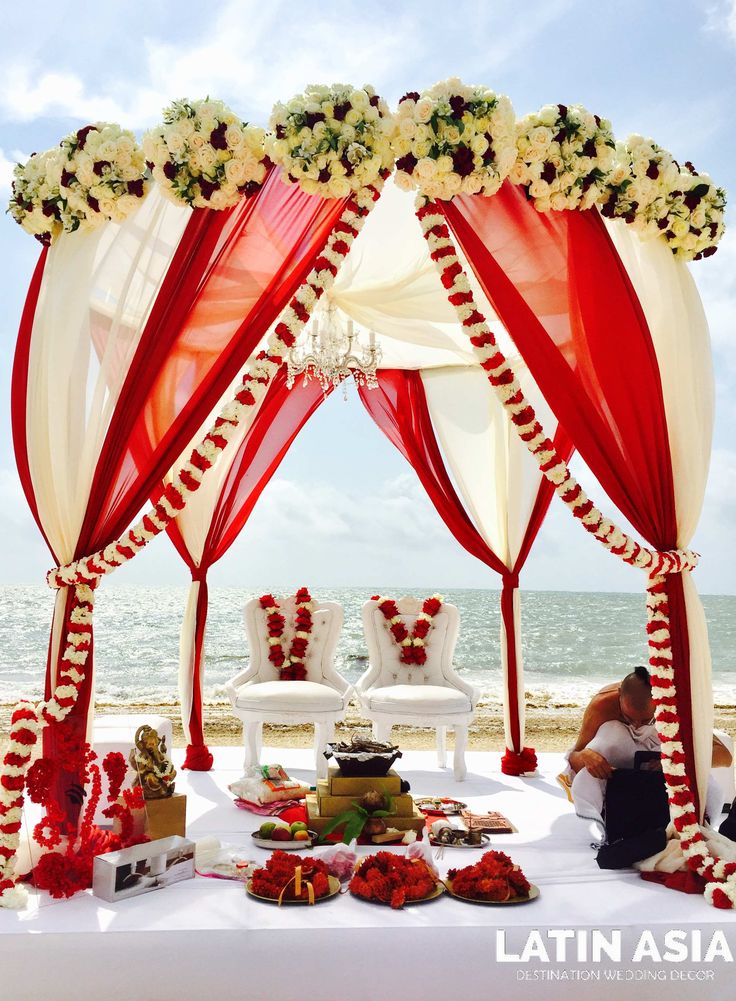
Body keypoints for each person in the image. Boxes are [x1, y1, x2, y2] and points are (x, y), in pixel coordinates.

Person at [558, 665, 732, 795]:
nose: (637, 726)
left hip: (662, 775)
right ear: (619, 696)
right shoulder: (603, 705)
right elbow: (575, 758)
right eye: (629, 719)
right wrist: (587, 756)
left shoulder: (676, 704)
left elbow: (724, 756)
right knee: (611, 733)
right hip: (617, 779)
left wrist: (676, 761)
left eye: (646, 720)